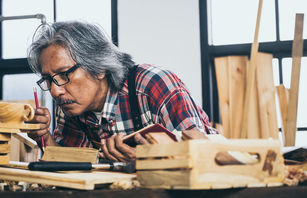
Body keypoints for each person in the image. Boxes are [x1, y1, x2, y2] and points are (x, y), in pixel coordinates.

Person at [27, 20, 217, 162]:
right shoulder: (70, 104)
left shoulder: (154, 84)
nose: (55, 91)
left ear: (98, 68)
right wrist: (44, 137)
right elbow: (70, 167)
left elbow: (202, 156)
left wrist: (143, 162)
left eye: (63, 74)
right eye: (49, 80)